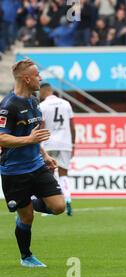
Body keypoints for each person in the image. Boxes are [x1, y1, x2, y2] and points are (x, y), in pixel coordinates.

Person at [0, 59, 66, 267]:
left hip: (37, 165)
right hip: (14, 171)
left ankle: (26, 205)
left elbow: (34, 135)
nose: (41, 78)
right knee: (27, 218)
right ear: (27, 79)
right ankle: (26, 257)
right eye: (37, 75)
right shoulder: (8, 106)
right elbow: (1, 138)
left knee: (58, 207)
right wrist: (29, 140)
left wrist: (44, 155)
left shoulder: (35, 101)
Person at [39, 83, 76, 216]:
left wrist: (39, 146)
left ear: (44, 92)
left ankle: (50, 206)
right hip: (65, 142)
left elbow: (41, 127)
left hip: (49, 143)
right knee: (64, 173)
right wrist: (73, 145)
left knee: (48, 174)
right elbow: (72, 126)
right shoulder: (66, 104)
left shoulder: (42, 106)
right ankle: (67, 199)